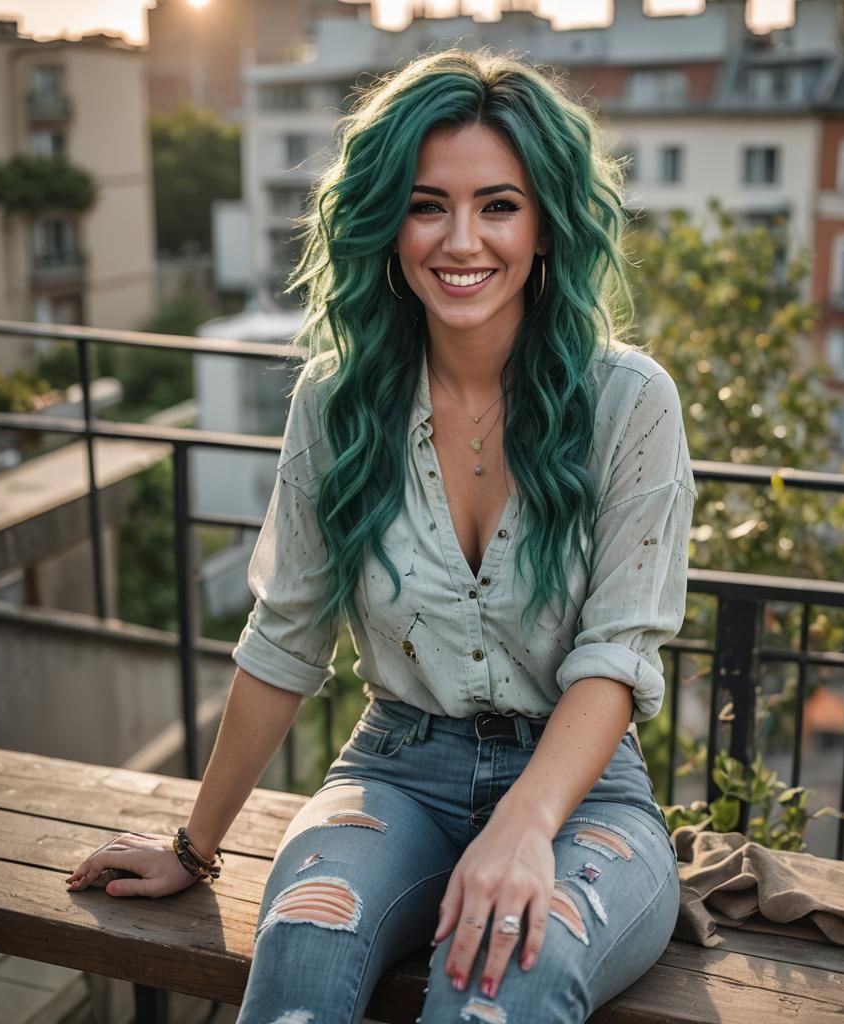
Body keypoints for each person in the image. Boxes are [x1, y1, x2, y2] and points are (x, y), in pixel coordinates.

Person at [66, 47, 697, 1023]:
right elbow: (285, 640)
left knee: (493, 981)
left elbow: (616, 655)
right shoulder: (338, 403)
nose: (460, 239)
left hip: (583, 798)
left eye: (497, 203)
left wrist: (524, 825)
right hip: (396, 770)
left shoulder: (630, 402)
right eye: (424, 204)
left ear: (545, 224)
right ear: (386, 223)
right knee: (302, 952)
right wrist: (192, 847)